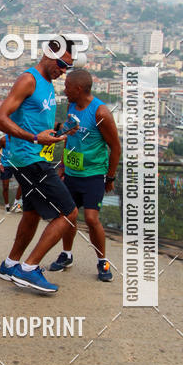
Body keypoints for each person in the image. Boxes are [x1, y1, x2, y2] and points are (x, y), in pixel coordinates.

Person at [0, 37, 78, 294]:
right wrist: (33, 138)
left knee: (32, 213)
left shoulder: (48, 84)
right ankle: (29, 269)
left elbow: (35, 123)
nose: (63, 71)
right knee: (69, 213)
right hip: (29, 159)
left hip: (35, 156)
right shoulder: (28, 79)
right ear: (49, 54)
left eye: (68, 67)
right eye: (62, 64)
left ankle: (10, 264)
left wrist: (57, 132)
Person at [48, 69, 121, 282]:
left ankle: (102, 261)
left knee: (91, 218)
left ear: (78, 89)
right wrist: (62, 164)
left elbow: (115, 147)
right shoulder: (72, 106)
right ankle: (67, 254)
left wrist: (110, 177)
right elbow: (70, 137)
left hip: (93, 174)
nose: (64, 90)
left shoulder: (100, 113)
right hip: (71, 172)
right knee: (68, 216)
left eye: (67, 86)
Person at [0, 134, 22, 212]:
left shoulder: (19, 139)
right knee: (5, 187)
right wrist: (0, 164)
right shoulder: (3, 140)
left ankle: (17, 205)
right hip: (5, 165)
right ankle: (7, 206)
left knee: (22, 183)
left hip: (17, 164)